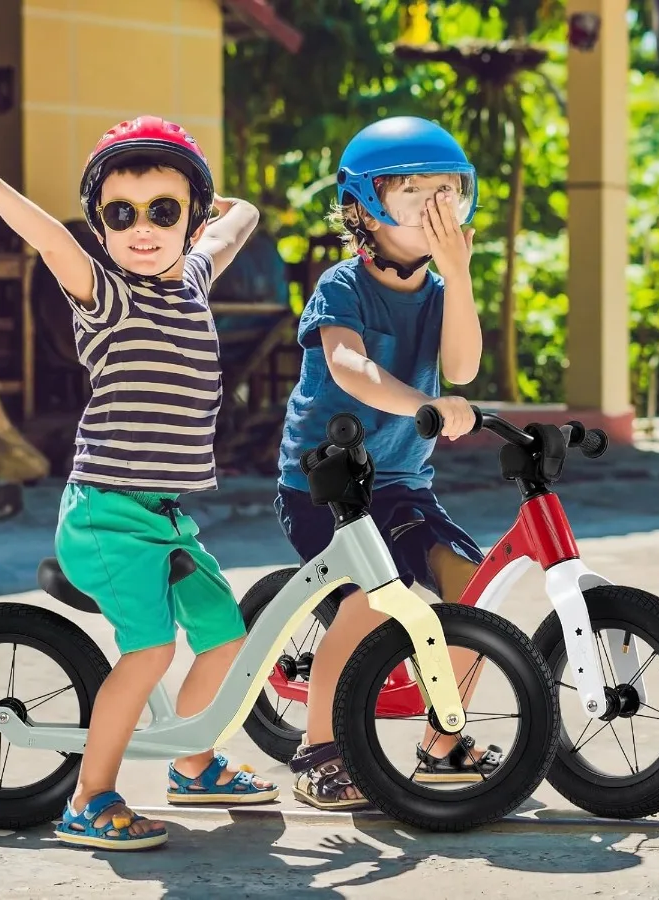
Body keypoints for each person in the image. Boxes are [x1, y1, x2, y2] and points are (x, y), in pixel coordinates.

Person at [0, 116, 278, 850]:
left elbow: (240, 221)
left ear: (189, 218)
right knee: (148, 651)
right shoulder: (107, 297)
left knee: (227, 635)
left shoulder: (194, 279)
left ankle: (193, 762)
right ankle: (91, 796)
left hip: (165, 519)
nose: (142, 229)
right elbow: (50, 239)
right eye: (121, 214)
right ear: (101, 230)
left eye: (163, 210)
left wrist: (201, 183)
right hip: (107, 516)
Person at [274, 116, 504, 809]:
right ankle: (320, 750)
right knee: (372, 605)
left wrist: (457, 273)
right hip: (327, 486)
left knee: (476, 593)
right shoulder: (341, 287)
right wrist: (421, 403)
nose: (436, 212)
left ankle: (443, 742)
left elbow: (461, 365)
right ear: (363, 208)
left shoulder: (438, 295)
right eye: (414, 195)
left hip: (402, 485)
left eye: (450, 194)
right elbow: (350, 368)